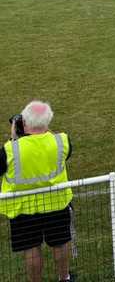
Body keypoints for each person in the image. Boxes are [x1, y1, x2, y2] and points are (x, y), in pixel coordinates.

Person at [0, 101, 74, 282]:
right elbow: (64, 153)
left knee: (31, 248)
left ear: (23, 122)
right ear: (48, 122)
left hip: (23, 208)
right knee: (60, 242)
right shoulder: (61, 141)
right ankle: (64, 278)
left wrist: (14, 138)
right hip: (56, 203)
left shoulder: (10, 149)